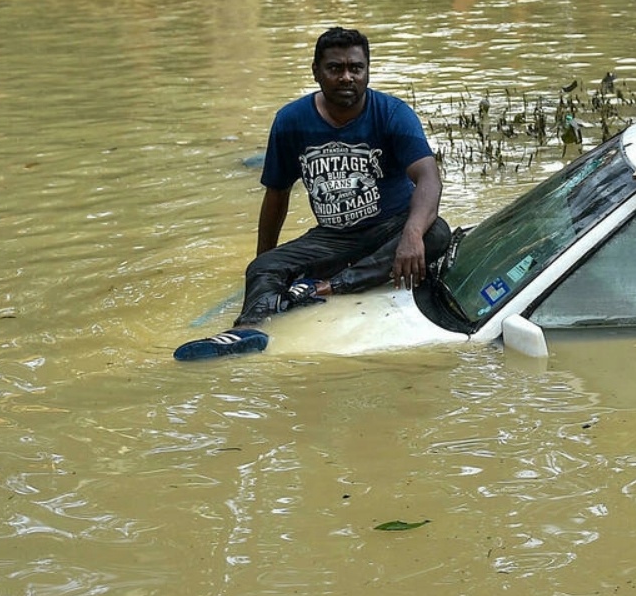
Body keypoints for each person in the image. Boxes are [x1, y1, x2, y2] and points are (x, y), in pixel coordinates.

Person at [175, 27, 451, 360]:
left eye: (356, 68)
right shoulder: (291, 121)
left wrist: (411, 234)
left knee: (435, 234)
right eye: (336, 68)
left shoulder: (392, 113)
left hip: (390, 228)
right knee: (263, 268)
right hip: (333, 238)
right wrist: (265, 263)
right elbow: (277, 194)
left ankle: (324, 287)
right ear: (316, 72)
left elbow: (429, 179)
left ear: (367, 71)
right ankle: (246, 331)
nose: (347, 77)